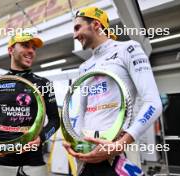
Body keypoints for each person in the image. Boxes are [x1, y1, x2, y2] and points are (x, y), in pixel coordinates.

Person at [63, 6, 163, 175]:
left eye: (77, 27)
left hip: (116, 153)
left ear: (95, 25)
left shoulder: (129, 48)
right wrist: (74, 141)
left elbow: (153, 103)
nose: (74, 35)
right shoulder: (83, 67)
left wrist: (120, 144)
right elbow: (81, 111)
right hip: (87, 156)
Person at [0, 32, 60, 176]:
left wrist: (41, 137)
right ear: (10, 50)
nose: (31, 51)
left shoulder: (43, 83)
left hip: (34, 161)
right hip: (1, 161)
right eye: (25, 45)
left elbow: (55, 120)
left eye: (34, 48)